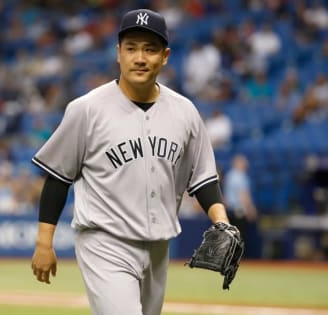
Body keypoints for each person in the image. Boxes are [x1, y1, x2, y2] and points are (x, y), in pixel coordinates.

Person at [30, 9, 236, 315]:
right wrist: (44, 244)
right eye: (131, 48)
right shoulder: (86, 109)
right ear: (118, 53)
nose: (140, 57)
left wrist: (222, 222)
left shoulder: (185, 112)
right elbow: (59, 177)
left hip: (158, 247)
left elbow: (203, 178)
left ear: (165, 56)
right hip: (105, 242)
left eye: (150, 49)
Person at [222, 154, 257, 242]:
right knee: (239, 237)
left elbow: (225, 196)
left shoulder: (229, 176)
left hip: (229, 211)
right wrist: (250, 210)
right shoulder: (241, 176)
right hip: (239, 212)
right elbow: (243, 195)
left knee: (230, 237)